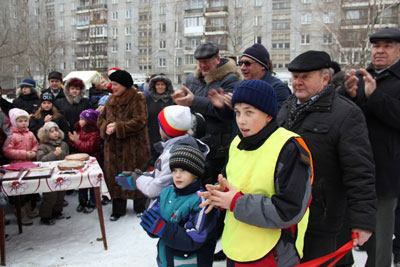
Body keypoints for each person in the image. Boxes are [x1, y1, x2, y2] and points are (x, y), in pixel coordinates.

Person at [276, 50, 376, 265]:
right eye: (295, 77)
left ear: (325, 78)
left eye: (305, 77)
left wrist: (362, 221)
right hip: (290, 214)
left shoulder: (346, 114)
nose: (298, 83)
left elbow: (359, 171)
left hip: (325, 218)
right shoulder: (287, 107)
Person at [199, 79, 313, 266]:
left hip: (274, 253)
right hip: (236, 248)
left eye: (249, 112)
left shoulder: (289, 147)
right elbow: (234, 184)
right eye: (237, 112)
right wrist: (220, 195)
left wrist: (236, 202)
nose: (241, 120)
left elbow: (289, 210)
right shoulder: (237, 142)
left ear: (268, 115)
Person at [342, 27, 400, 267]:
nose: (380, 51)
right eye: (376, 46)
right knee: (345, 235)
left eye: (387, 46)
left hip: (385, 171)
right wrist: (347, 93)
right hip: (354, 169)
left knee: (379, 240)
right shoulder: (363, 75)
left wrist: (375, 97)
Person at [172, 42, 240, 186]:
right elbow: (188, 106)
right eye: (200, 62)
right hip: (195, 141)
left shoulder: (230, 79)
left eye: (207, 62)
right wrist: (178, 101)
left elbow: (227, 112)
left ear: (218, 59)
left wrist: (194, 101)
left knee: (214, 184)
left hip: (219, 146)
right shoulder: (192, 79)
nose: (203, 65)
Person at [140, 145, 219, 267]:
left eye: (183, 170)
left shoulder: (202, 201)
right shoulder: (167, 193)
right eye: (174, 170)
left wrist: (163, 229)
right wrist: (152, 227)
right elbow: (155, 220)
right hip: (166, 259)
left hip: (191, 262)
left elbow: (195, 239)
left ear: (196, 173)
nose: (177, 175)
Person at [115, 105, 209, 200]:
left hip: (168, 207)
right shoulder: (182, 145)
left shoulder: (174, 154)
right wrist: (143, 175)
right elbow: (161, 174)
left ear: (167, 129)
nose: (158, 128)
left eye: (160, 125)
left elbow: (156, 189)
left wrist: (136, 180)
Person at [97, 70, 150, 221]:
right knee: (116, 176)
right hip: (113, 148)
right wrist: (106, 126)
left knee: (136, 174)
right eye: (111, 84)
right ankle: (118, 209)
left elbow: (140, 120)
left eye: (115, 84)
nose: (112, 87)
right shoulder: (111, 99)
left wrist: (118, 127)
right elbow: (101, 119)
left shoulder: (137, 97)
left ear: (124, 84)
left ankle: (140, 207)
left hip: (134, 147)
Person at [3, 108, 39, 225]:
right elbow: (7, 150)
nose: (24, 123)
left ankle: (28, 208)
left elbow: (35, 144)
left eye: (25, 121)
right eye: (20, 121)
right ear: (14, 122)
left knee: (29, 187)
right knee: (19, 189)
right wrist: (24, 154)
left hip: (29, 165)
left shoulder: (30, 134)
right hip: (16, 166)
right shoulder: (11, 135)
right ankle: (20, 212)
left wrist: (34, 152)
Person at [37, 122, 69, 225]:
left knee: (61, 194)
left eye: (56, 131)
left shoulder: (63, 144)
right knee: (50, 196)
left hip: (61, 172)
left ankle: (57, 211)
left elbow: (67, 156)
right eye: (51, 132)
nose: (55, 133)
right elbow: (41, 160)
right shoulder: (43, 146)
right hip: (49, 174)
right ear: (46, 134)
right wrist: (53, 154)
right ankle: (45, 216)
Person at [69, 109, 101, 214]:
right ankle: (82, 201)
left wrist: (76, 141)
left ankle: (93, 201)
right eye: (79, 119)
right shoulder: (79, 131)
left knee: (92, 183)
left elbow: (88, 147)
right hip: (82, 161)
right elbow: (78, 145)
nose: (80, 121)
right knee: (82, 183)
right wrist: (73, 141)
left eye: (82, 119)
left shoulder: (95, 133)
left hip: (92, 161)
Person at [145, 74, 174, 163]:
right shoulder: (148, 99)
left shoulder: (172, 99)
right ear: (154, 86)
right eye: (158, 84)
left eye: (163, 84)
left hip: (170, 135)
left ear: (167, 86)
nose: (160, 87)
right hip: (153, 134)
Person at [55, 77, 90, 146]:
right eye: (72, 89)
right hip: (65, 133)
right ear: (68, 90)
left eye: (77, 89)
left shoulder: (85, 102)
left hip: (82, 133)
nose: (74, 91)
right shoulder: (60, 102)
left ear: (81, 90)